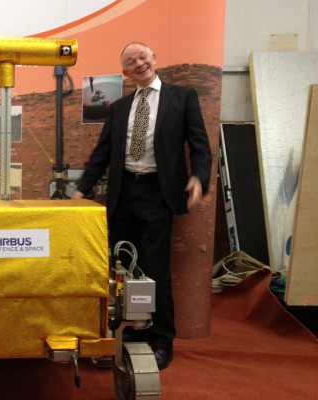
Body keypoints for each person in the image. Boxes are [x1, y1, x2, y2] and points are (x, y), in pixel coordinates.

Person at [72, 42, 212, 370]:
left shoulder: (183, 97)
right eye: (131, 61)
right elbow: (102, 154)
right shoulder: (119, 108)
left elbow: (201, 147)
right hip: (123, 197)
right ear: (125, 72)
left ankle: (161, 340)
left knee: (153, 270)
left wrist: (199, 178)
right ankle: (132, 334)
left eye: (142, 56)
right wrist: (81, 190)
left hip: (157, 194)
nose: (139, 63)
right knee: (122, 271)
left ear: (154, 59)